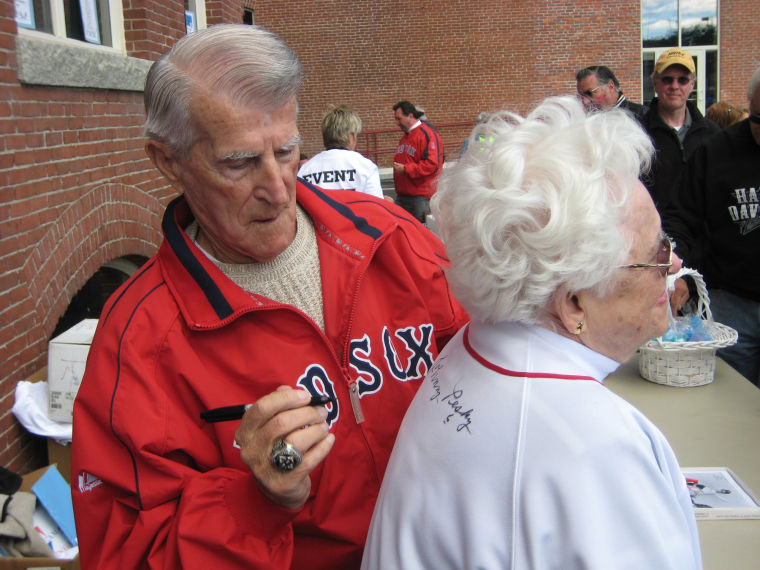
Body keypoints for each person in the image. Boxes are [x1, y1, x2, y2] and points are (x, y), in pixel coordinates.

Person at [70, 24, 468, 569]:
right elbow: (125, 555)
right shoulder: (139, 339)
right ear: (168, 161)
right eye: (238, 163)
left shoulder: (388, 237)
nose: (279, 190)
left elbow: (490, 362)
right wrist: (259, 501)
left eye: (286, 150)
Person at [362, 96, 702, 569]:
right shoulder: (597, 448)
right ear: (575, 302)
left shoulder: (473, 346)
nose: (675, 264)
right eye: (657, 252)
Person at [664, 66, 760, 386]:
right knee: (732, 398)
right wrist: (676, 267)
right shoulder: (717, 151)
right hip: (732, 303)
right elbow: (682, 216)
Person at [640, 48, 719, 211]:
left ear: (692, 84)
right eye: (667, 79)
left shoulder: (713, 135)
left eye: (682, 80)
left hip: (700, 232)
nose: (674, 86)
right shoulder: (637, 134)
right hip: (656, 232)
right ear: (655, 82)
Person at [298, 105, 384, 199]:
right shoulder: (366, 166)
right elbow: (375, 207)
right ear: (350, 136)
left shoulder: (305, 169)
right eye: (356, 135)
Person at [392, 100, 443, 222]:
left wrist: (406, 169)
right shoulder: (405, 137)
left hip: (419, 198)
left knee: (420, 234)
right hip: (403, 196)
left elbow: (432, 165)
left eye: (399, 119)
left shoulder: (427, 135)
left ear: (410, 116)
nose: (397, 123)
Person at [576, 64, 647, 117]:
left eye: (589, 93)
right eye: (581, 96)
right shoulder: (586, 119)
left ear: (610, 86)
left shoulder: (641, 116)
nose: (585, 101)